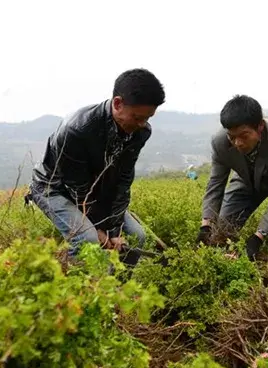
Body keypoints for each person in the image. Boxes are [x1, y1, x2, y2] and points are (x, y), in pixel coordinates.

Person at [26, 68, 165, 260]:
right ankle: (79, 287)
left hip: (97, 190)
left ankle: (118, 288)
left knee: (137, 237)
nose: (142, 124)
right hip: (54, 189)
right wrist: (100, 229)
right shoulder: (77, 130)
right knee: (88, 240)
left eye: (147, 118)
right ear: (117, 103)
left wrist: (114, 229)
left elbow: (123, 180)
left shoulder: (139, 132)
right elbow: (78, 188)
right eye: (137, 117)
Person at [196, 94, 268, 308]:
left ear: (260, 127)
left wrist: (259, 237)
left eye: (244, 135)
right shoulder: (220, 143)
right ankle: (223, 286)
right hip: (247, 180)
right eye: (232, 137)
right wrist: (206, 224)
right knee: (223, 229)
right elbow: (216, 184)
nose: (238, 143)